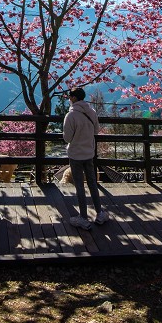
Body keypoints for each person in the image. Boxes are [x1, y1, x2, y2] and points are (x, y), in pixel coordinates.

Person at [62, 87, 109, 230]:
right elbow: (96, 131)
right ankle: (100, 213)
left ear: (75, 98)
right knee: (92, 183)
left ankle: (83, 217)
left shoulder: (71, 116)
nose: (69, 99)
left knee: (79, 185)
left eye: (70, 96)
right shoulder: (91, 112)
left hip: (76, 155)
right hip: (89, 153)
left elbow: (67, 138)